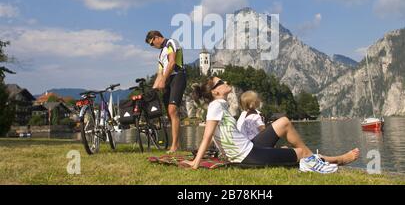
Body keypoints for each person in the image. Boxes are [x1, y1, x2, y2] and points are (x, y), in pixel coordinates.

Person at [183, 77, 360, 173]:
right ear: (216, 91)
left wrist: (223, 152)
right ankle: (334, 160)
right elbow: (207, 135)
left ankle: (312, 158)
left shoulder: (221, 105)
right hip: (248, 156)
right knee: (298, 152)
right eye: (221, 82)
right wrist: (196, 163)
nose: (226, 82)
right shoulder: (215, 106)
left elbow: (222, 136)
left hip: (249, 148)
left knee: (283, 122)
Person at [146, 30, 186, 153]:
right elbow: (159, 73)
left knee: (172, 110)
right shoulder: (160, 54)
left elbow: (172, 62)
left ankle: (174, 146)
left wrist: (163, 79)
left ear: (156, 37)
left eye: (152, 43)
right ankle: (176, 144)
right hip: (167, 80)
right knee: (169, 114)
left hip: (177, 77)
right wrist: (152, 91)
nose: (152, 46)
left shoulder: (171, 42)